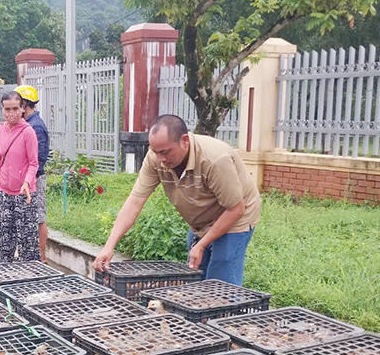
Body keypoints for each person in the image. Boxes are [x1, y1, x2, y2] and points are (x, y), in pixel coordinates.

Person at [93, 115, 261, 286]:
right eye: (155, 151)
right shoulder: (155, 158)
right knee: (196, 275)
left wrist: (202, 244)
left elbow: (236, 209)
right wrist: (109, 246)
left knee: (221, 279)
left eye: (165, 152)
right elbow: (135, 201)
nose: (161, 159)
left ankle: (227, 310)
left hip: (236, 216)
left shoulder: (214, 159)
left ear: (185, 141)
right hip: (201, 219)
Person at [0, 91, 40, 263]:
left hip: (24, 195)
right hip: (3, 193)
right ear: (2, 109)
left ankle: (28, 279)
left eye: (15, 108)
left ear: (22, 108)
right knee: (2, 238)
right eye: (7, 109)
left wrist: (27, 182)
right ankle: (5, 273)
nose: (11, 113)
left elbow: (33, 163)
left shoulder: (28, 132)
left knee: (27, 242)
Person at [15, 84, 50, 263]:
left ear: (24, 104)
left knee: (38, 218)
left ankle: (42, 258)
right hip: (28, 181)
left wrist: (29, 178)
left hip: (35, 179)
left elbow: (39, 158)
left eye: (17, 105)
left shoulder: (35, 126)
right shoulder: (28, 124)